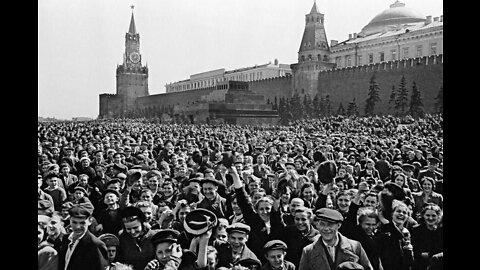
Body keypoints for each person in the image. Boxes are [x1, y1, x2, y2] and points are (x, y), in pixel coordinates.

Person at [231, 166, 285, 263]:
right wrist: (235, 175)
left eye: (267, 208)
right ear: (256, 210)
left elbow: (277, 211)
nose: (264, 212)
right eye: (261, 209)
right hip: (256, 262)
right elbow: (243, 200)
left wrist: (277, 198)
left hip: (276, 263)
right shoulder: (254, 221)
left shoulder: (276, 221)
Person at [298, 208, 373, 270]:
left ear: (339, 225)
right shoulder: (308, 251)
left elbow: (368, 268)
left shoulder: (355, 246)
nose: (326, 229)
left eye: (330, 225)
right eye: (322, 224)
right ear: (317, 225)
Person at [58, 205, 109, 270]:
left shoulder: (95, 245)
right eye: (74, 222)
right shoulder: (65, 239)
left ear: (90, 221)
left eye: (82, 223)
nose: (78, 227)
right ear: (70, 220)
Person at [117, 206, 160, 270]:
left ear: (142, 224)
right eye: (128, 229)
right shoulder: (122, 238)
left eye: (135, 228)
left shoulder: (154, 236)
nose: (132, 232)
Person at [410, 204, 443, 270]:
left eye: (433, 216)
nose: (430, 218)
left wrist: (430, 255)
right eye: (427, 215)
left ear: (438, 216)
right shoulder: (415, 230)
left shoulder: (441, 231)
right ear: (423, 216)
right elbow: (413, 248)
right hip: (419, 264)